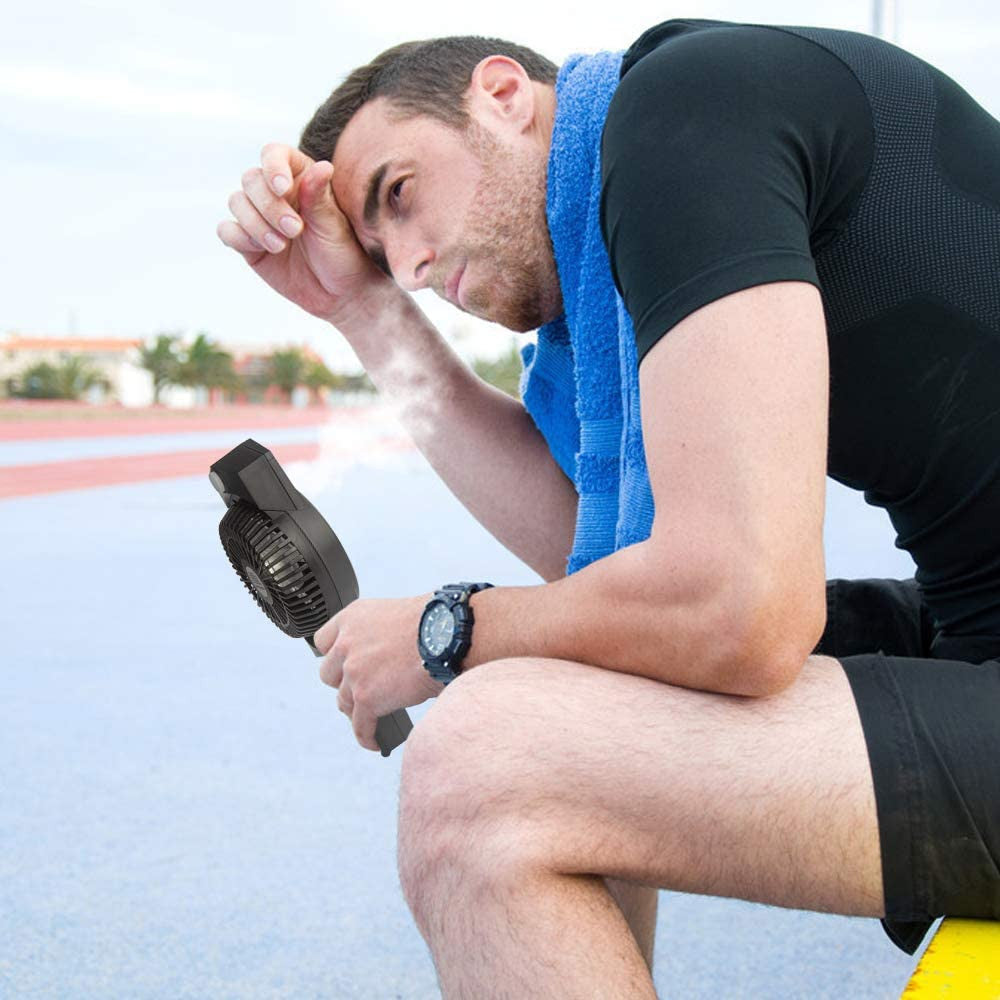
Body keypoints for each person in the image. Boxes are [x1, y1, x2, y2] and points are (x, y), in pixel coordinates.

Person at [217, 18, 1000, 996]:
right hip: (973, 634)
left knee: (478, 776)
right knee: (574, 671)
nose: (412, 266)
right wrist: (360, 311)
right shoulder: (657, 188)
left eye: (401, 196)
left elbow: (739, 611)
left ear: (503, 95)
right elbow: (602, 584)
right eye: (385, 257)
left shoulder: (681, 119)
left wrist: (440, 630)